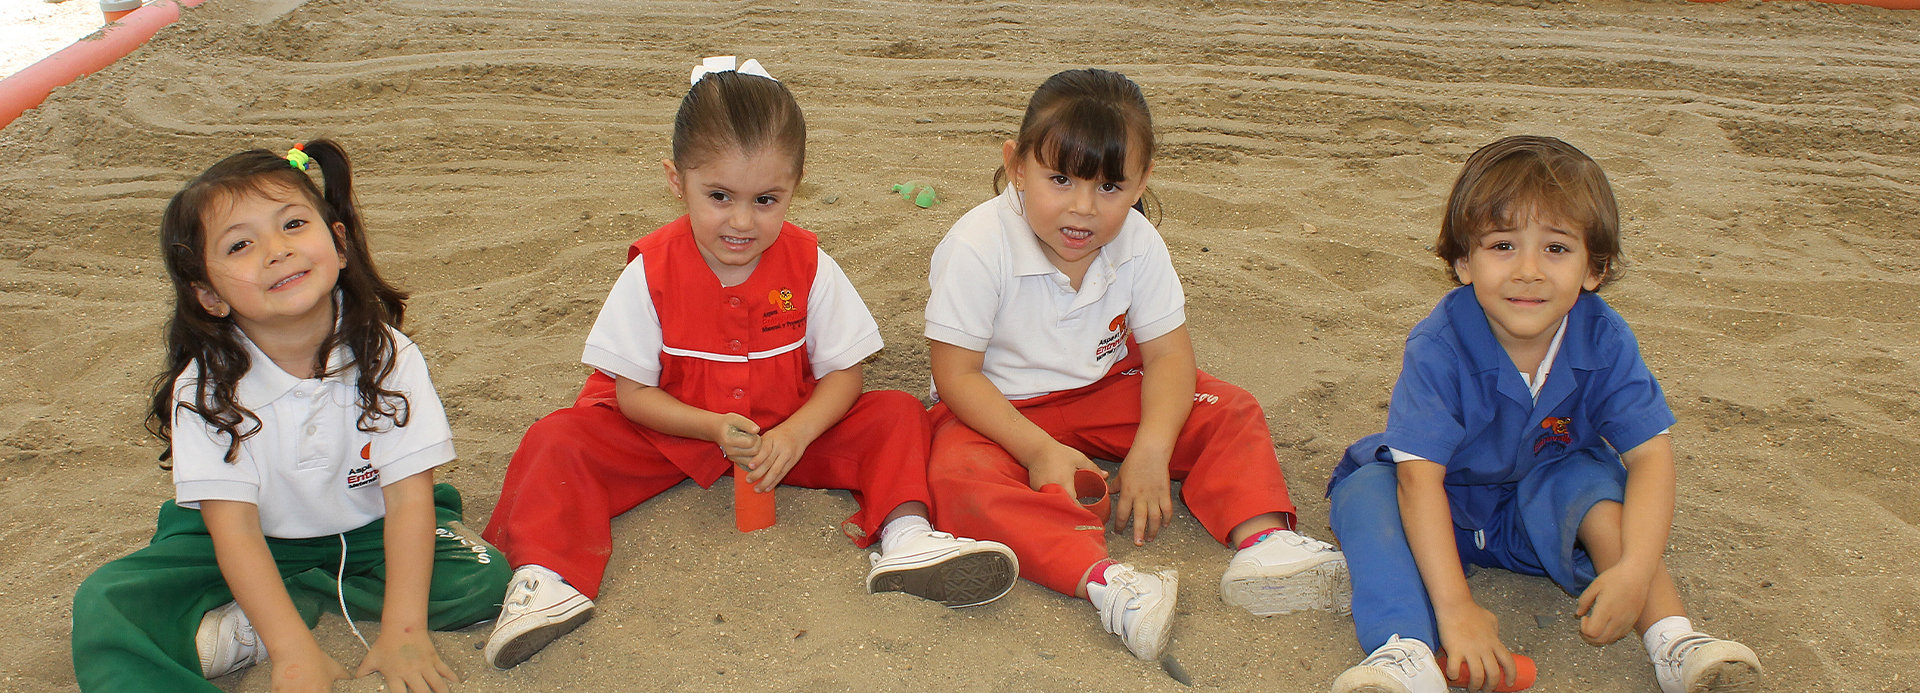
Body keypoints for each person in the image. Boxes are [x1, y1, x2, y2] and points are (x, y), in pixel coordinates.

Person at [478, 57, 1018, 670]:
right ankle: (546, 577)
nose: (741, 221)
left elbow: (845, 374)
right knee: (556, 439)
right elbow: (632, 396)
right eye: (719, 197)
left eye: (765, 199)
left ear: (796, 185)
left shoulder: (810, 264)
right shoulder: (650, 270)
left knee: (896, 414)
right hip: (670, 436)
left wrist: (796, 432)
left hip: (784, 434)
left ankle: (906, 537)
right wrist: (709, 427)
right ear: (676, 180)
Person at [923, 68, 1348, 662]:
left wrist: (1151, 448)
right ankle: (1108, 583)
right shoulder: (976, 245)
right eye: (1060, 179)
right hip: (998, 407)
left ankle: (1264, 542)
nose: (1082, 208)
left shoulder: (1138, 241)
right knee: (955, 476)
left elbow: (1169, 354)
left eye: (1109, 187)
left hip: (1107, 387)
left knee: (1228, 409)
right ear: (1016, 165)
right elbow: (957, 375)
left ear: (1142, 180)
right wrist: (1038, 451)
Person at [1326, 136, 1764, 693]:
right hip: (1442, 512)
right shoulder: (1439, 343)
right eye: (1503, 245)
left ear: (1594, 269)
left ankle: (1675, 640)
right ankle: (1404, 652)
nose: (1528, 270)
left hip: (1539, 518)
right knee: (1368, 492)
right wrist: (1457, 609)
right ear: (1464, 262)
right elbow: (1419, 481)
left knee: (1590, 482)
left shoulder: (1604, 337)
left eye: (1556, 248)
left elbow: (1651, 456)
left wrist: (1633, 571)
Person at [71, 140, 510, 692]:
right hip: (246, 537)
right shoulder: (205, 388)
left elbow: (407, 498)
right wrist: (293, 653)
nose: (276, 251)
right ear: (208, 295)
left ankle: (266, 613)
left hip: (367, 530)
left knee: (482, 580)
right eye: (240, 245)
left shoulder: (388, 355)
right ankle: (275, 622)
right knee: (106, 602)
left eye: (293, 224)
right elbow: (234, 531)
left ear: (339, 244)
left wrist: (405, 633)